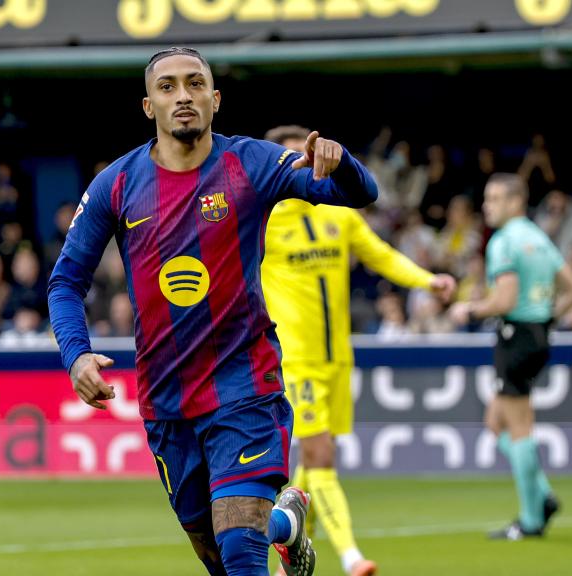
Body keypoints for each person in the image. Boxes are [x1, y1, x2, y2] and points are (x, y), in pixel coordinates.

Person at [48, 46, 378, 576]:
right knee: (218, 557)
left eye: (196, 83)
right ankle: (284, 531)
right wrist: (76, 355)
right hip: (167, 403)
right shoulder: (117, 183)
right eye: (169, 86)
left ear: (215, 99)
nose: (184, 96)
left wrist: (345, 165)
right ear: (148, 105)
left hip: (244, 388)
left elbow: (359, 194)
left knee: (240, 552)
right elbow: (66, 281)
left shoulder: (251, 162)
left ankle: (268, 527)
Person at [262, 125, 456, 576]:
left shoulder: (339, 214)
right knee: (320, 456)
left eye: (305, 155)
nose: (300, 164)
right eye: (288, 157)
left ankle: (286, 549)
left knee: (318, 459)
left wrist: (429, 281)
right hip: (295, 359)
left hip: (338, 359)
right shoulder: (264, 221)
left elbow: (382, 256)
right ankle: (351, 558)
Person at [449, 173, 572, 540]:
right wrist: (549, 315)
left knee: (519, 427)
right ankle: (542, 495)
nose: (487, 206)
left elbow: (505, 300)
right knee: (496, 421)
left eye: (495, 199)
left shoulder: (504, 242)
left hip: (515, 335)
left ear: (516, 201)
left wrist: (469, 310)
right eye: (487, 198)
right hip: (537, 333)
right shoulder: (538, 238)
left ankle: (530, 520)